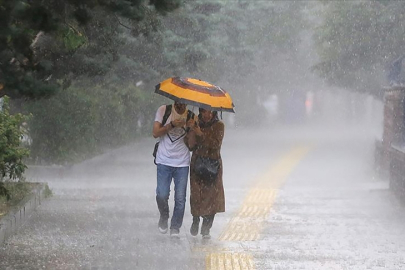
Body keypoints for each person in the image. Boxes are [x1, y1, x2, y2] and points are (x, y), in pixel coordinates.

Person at [152, 101, 196, 238]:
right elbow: (155, 133)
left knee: (180, 198)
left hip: (182, 162)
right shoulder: (164, 110)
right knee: (162, 194)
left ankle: (175, 227)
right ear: (175, 100)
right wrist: (171, 125)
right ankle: (164, 216)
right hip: (164, 161)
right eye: (179, 102)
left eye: (184, 103)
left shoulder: (191, 116)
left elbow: (192, 145)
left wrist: (191, 129)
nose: (181, 106)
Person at [185, 108, 225, 239]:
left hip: (213, 164)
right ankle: (196, 219)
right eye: (204, 111)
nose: (206, 114)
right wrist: (191, 130)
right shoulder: (196, 122)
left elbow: (215, 144)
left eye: (210, 112)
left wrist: (200, 133)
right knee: (196, 194)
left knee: (212, 197)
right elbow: (190, 146)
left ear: (214, 113)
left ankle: (206, 227)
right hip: (197, 163)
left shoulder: (219, 125)